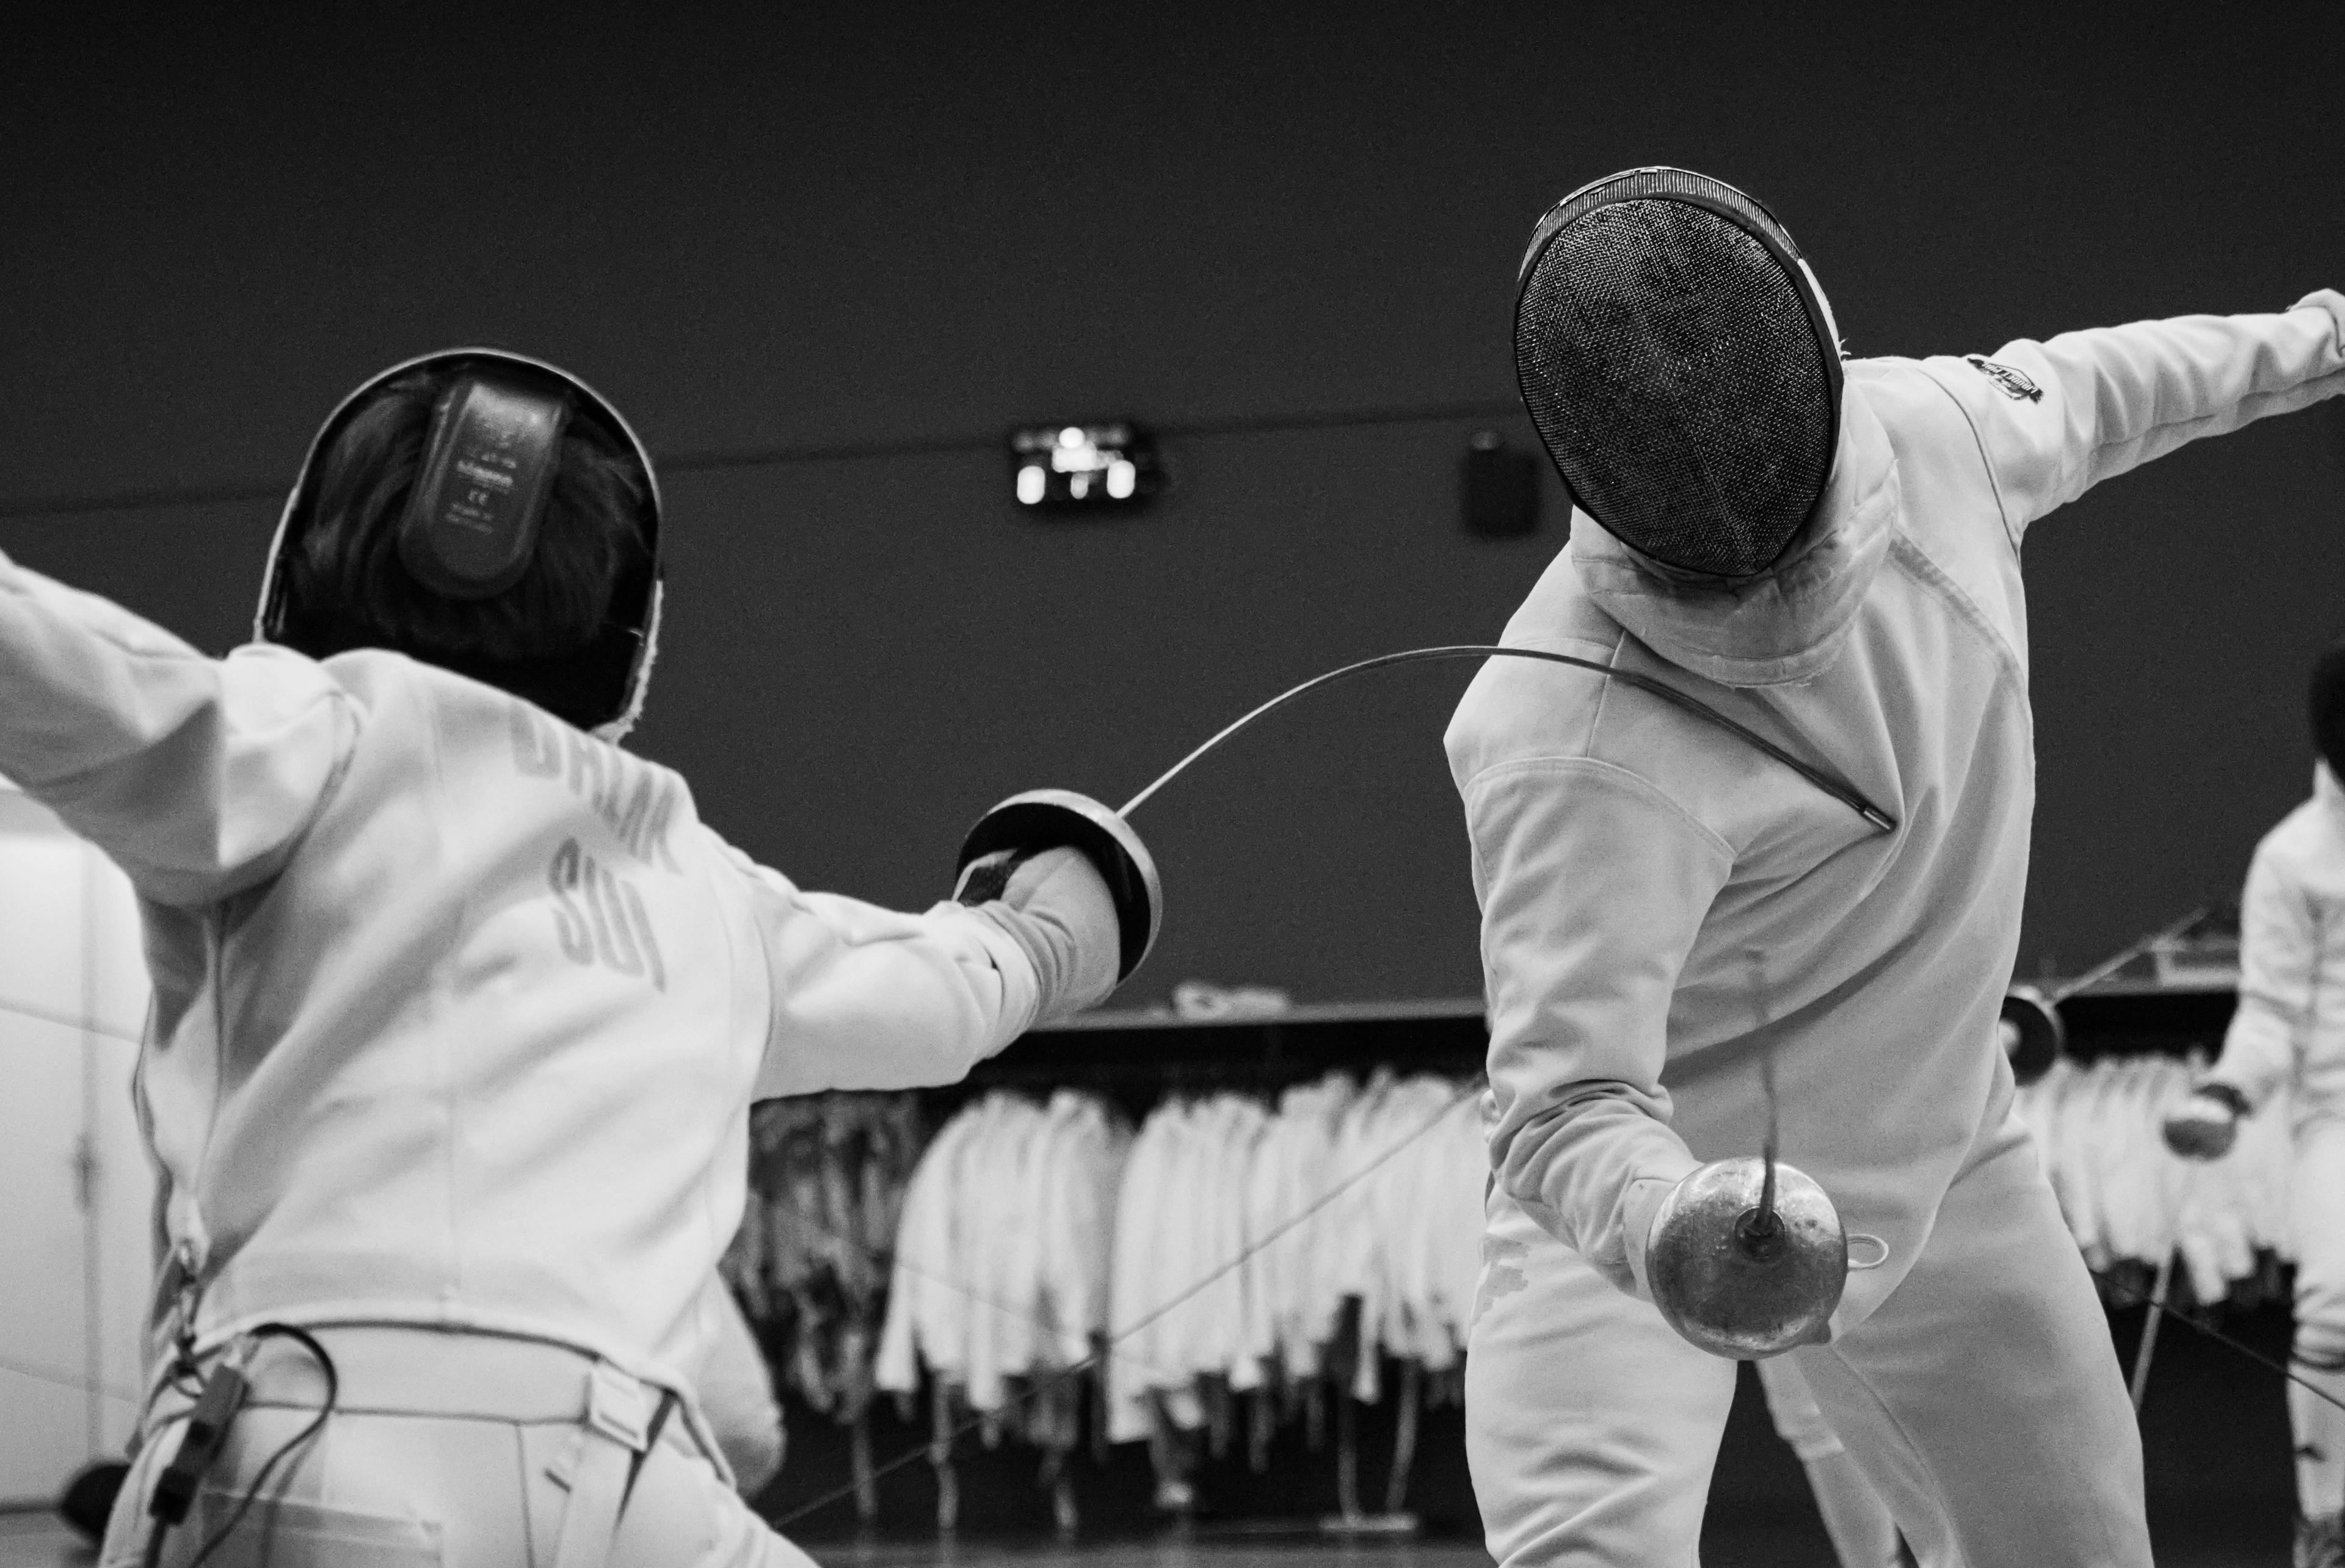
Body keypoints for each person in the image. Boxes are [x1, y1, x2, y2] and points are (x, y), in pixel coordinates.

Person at [0, 348, 1143, 1568]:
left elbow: (60, 670)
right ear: (626, 634)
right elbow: (947, 990)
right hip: (629, 1480)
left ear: (309, 563)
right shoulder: (700, 876)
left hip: (307, 1435)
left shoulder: (302, 736)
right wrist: (1041, 936)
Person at [1450, 164, 2345, 1567]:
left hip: (1945, 1148)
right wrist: (1675, 1220)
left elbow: (2136, 383)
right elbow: (1567, 1107)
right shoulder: (1562, 732)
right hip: (1649, 1215)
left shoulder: (1944, 432)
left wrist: (2327, 336)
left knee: (2081, 1547)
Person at [2165, 641, 2345, 1568]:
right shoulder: (2293, 857)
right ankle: (2326, 1523)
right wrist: (2226, 1093)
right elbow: (2271, 1014)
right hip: (2338, 1116)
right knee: (2334, 1304)